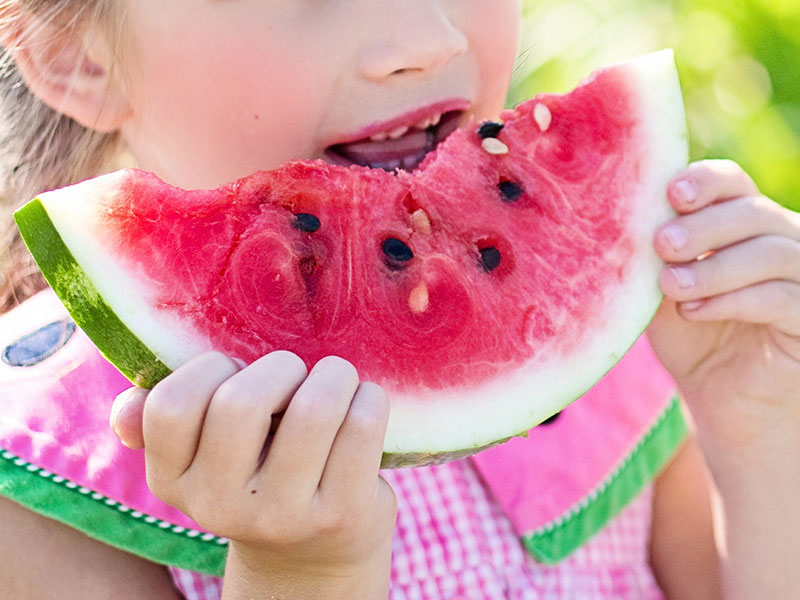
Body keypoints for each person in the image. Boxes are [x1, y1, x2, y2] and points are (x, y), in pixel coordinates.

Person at [0, 1, 798, 598]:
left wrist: (758, 427)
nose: (427, 41)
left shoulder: (610, 358)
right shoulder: (42, 481)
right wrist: (300, 575)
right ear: (78, 58)